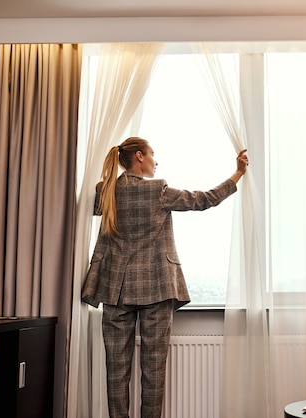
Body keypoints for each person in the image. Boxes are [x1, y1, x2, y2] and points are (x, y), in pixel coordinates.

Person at [81, 136, 248, 418]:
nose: (156, 162)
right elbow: (204, 199)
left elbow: (95, 209)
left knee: (116, 373)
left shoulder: (106, 190)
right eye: (153, 155)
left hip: (115, 290)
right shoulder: (158, 191)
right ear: (139, 156)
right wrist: (238, 173)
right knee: (154, 371)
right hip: (156, 288)